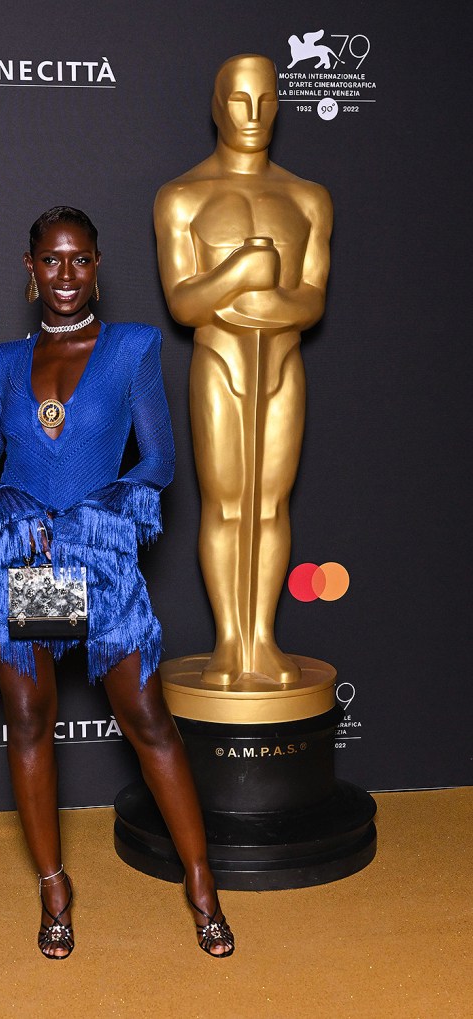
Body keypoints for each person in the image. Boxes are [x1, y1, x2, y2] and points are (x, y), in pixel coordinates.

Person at [0, 206, 234, 960]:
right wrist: (14, 510)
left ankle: (202, 883)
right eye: (52, 260)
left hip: (101, 562)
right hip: (30, 568)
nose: (67, 275)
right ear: (31, 268)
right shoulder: (3, 365)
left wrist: (92, 513)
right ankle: (54, 887)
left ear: (98, 265)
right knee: (31, 720)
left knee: (147, 719)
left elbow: (159, 463)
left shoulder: (134, 349)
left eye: (80, 260)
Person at [154, 54, 333, 688]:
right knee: (227, 503)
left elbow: (312, 298)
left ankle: (264, 639)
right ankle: (230, 642)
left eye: (265, 100)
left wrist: (273, 303)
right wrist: (242, 271)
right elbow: (183, 301)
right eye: (238, 100)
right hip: (220, 360)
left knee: (271, 504)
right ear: (216, 104)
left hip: (282, 360)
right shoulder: (181, 198)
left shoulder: (308, 198)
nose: (252, 114)